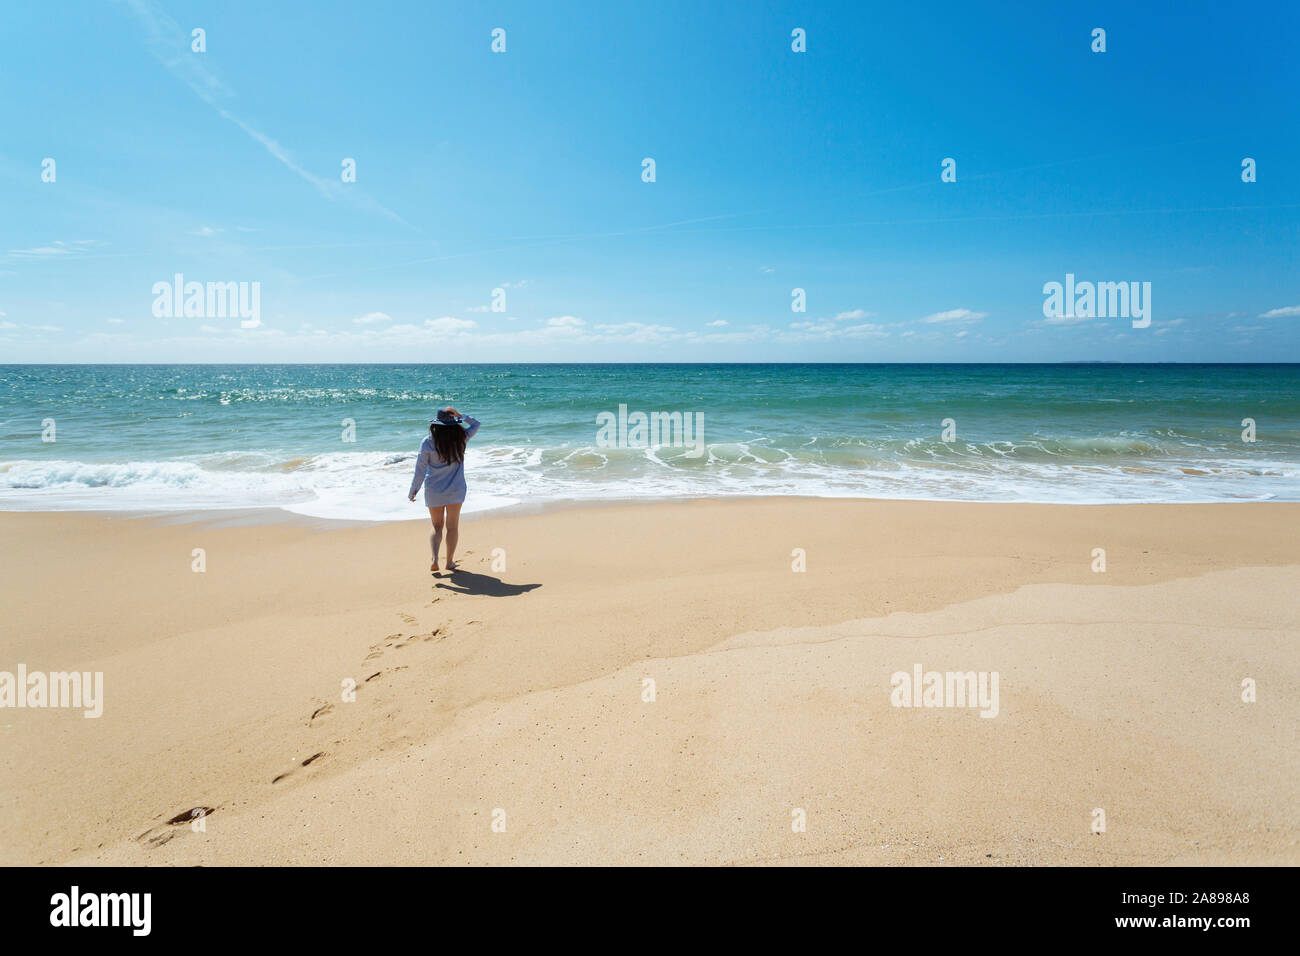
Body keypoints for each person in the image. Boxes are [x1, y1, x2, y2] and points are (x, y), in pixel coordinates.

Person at [408, 406, 480, 573]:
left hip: (434, 490)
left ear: (435, 424)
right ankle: (449, 562)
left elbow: (420, 468)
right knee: (452, 527)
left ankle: (434, 558)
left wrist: (413, 490)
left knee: (436, 526)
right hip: (456, 490)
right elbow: (476, 424)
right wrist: (461, 415)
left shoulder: (427, 442)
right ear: (454, 423)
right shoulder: (461, 438)